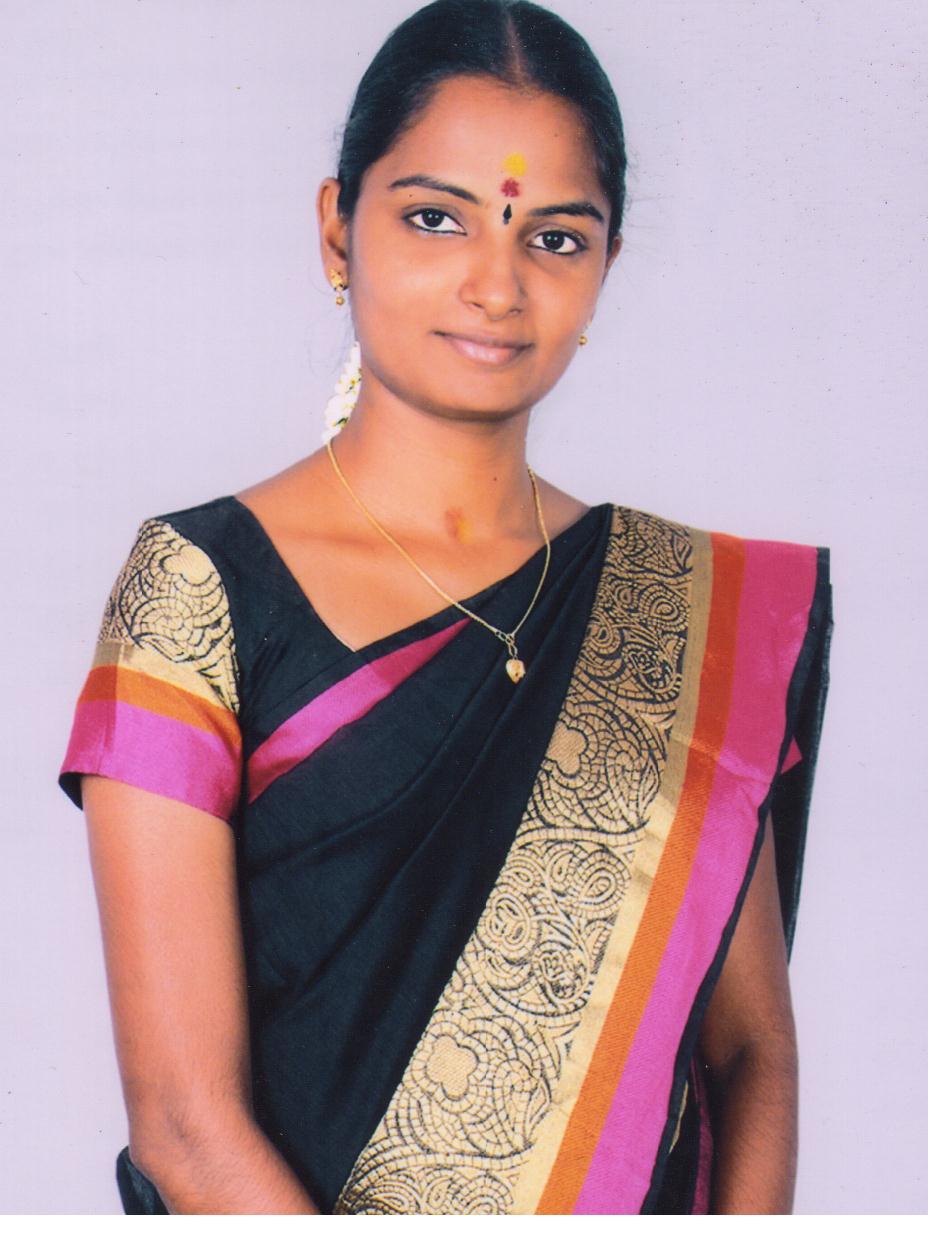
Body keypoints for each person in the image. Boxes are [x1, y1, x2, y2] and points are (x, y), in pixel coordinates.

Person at [57, 0, 832, 1216]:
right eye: (434, 217)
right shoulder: (198, 587)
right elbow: (184, 1126)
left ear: (605, 267)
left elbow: (751, 1052)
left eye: (555, 237)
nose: (495, 284)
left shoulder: (692, 613)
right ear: (337, 228)